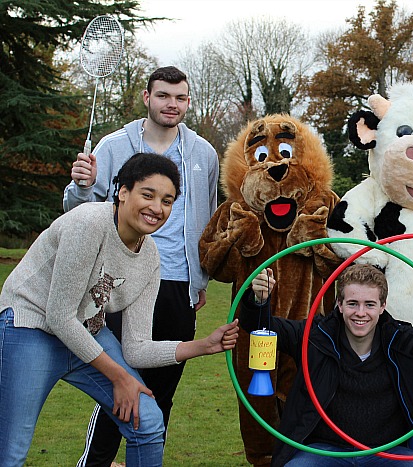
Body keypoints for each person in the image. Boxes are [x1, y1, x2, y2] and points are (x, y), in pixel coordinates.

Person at [0, 153, 238, 467]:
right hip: (31, 327)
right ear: (123, 192)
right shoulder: (88, 224)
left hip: (86, 331)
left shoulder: (150, 257)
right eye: (148, 195)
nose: (157, 208)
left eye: (167, 201)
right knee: (11, 453)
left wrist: (203, 345)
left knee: (148, 423)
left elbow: (136, 348)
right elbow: (58, 315)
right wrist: (119, 378)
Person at [63, 66, 219, 465]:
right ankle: (94, 462)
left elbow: (207, 219)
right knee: (120, 387)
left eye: (181, 97)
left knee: (161, 392)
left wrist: (198, 278)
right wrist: (80, 186)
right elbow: (78, 213)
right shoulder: (113, 146)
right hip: (120, 282)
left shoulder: (203, 153)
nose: (173, 104)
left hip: (177, 286)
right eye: (164, 95)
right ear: (146, 98)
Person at [239, 264, 413, 466]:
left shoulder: (402, 341)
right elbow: (262, 326)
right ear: (339, 304)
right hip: (324, 451)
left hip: (389, 453)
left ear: (383, 307)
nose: (361, 313)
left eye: (370, 304)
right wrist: (258, 300)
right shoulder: (313, 336)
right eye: (352, 303)